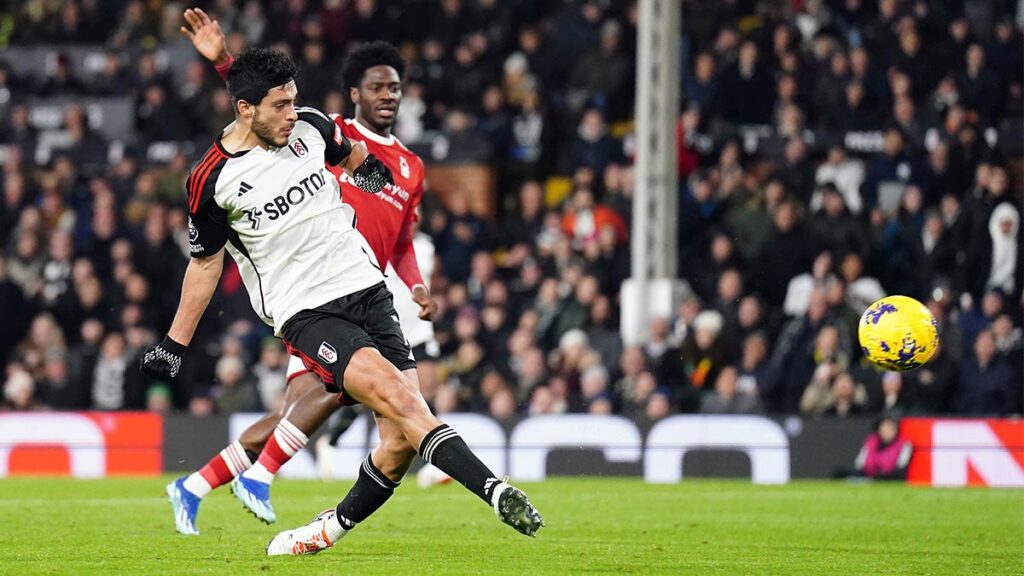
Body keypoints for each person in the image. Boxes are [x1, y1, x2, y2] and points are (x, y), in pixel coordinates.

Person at [140, 36, 541, 556]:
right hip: (308, 312)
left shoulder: (310, 125)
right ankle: (496, 491)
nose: (291, 113)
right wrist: (174, 344)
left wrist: (374, 180)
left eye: (293, 99)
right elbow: (205, 265)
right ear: (245, 109)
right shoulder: (211, 179)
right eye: (279, 105)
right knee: (396, 399)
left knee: (398, 441)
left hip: (370, 291)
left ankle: (321, 532)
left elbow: (353, 158)